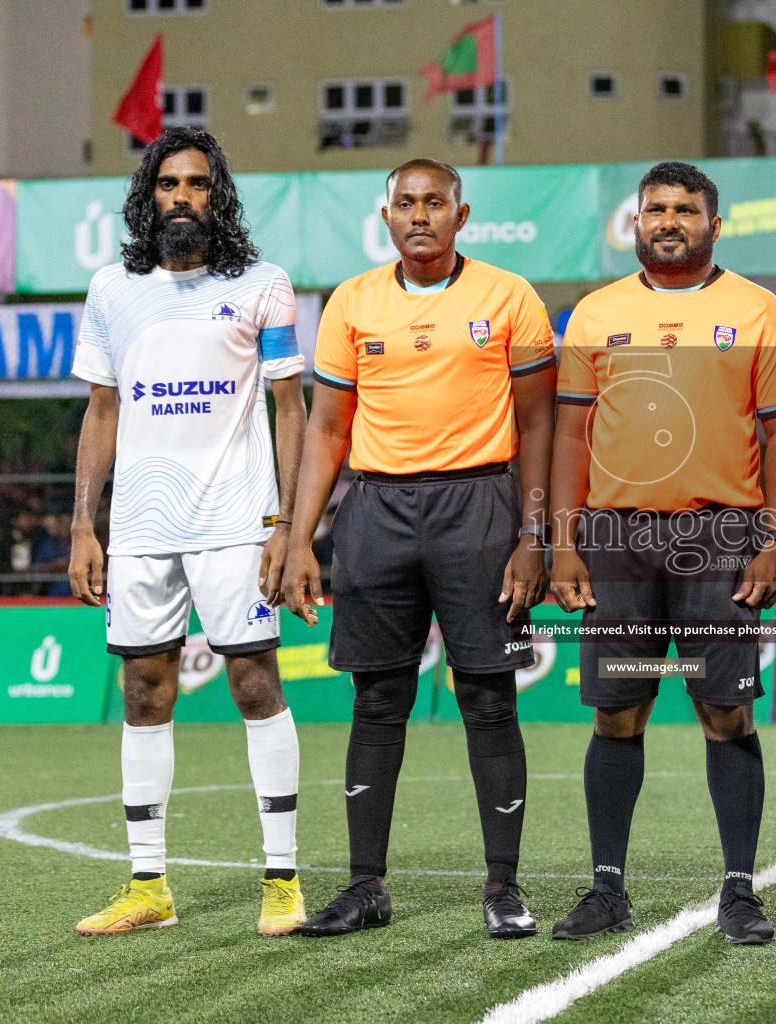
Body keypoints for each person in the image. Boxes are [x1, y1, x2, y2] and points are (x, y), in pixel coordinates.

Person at [281, 158, 555, 939]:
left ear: (461, 215)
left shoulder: (509, 297)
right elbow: (328, 428)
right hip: (375, 511)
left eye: (436, 202)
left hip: (480, 506)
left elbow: (540, 424)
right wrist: (299, 539)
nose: (421, 215)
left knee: (489, 697)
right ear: (386, 214)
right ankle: (366, 885)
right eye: (406, 203)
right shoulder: (353, 301)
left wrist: (534, 534)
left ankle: (503, 886)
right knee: (376, 699)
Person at [67, 127, 309, 938]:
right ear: (148, 196)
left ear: (218, 195)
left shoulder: (265, 284)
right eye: (169, 183)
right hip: (138, 525)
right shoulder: (110, 291)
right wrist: (82, 527)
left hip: (235, 521)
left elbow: (290, 408)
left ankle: (282, 878)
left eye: (198, 184)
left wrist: (285, 525)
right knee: (143, 691)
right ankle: (148, 887)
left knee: (253, 684)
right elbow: (100, 412)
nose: (183, 197)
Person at [549, 161, 776, 945]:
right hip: (618, 540)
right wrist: (562, 543)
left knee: (724, 712)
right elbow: (567, 437)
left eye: (686, 209)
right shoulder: (595, 313)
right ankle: (607, 889)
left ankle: (739, 891)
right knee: (619, 713)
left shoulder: (759, 311)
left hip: (721, 537)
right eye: (656, 208)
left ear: (713, 225)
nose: (669, 220)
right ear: (636, 223)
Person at [32, 512, 74, 597]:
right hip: (53, 596)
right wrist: (55, 565)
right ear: (58, 526)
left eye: (69, 524)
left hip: (79, 597)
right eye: (63, 524)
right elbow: (36, 568)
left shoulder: (82, 545)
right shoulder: (47, 545)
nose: (66, 527)